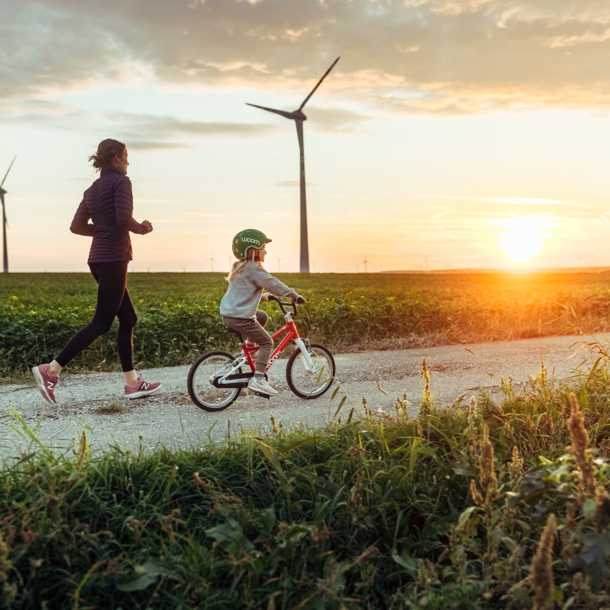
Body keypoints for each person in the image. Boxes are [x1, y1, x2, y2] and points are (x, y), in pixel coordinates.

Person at [32, 139, 162, 404]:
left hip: (97, 259)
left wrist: (102, 229)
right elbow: (124, 219)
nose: (128, 162)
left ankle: (132, 383)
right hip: (114, 257)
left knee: (128, 318)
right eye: (126, 157)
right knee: (102, 322)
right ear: (115, 157)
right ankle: (51, 370)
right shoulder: (121, 183)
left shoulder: (92, 188)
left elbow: (76, 226)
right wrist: (142, 228)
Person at [220, 229, 305, 396]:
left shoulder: (239, 267)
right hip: (241, 317)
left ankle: (251, 349)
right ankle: (258, 380)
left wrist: (264, 296)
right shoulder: (254, 268)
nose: (266, 251)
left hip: (229, 316)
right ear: (253, 249)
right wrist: (293, 295)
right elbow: (272, 282)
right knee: (267, 342)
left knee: (261, 316)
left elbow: (243, 290)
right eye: (263, 248)